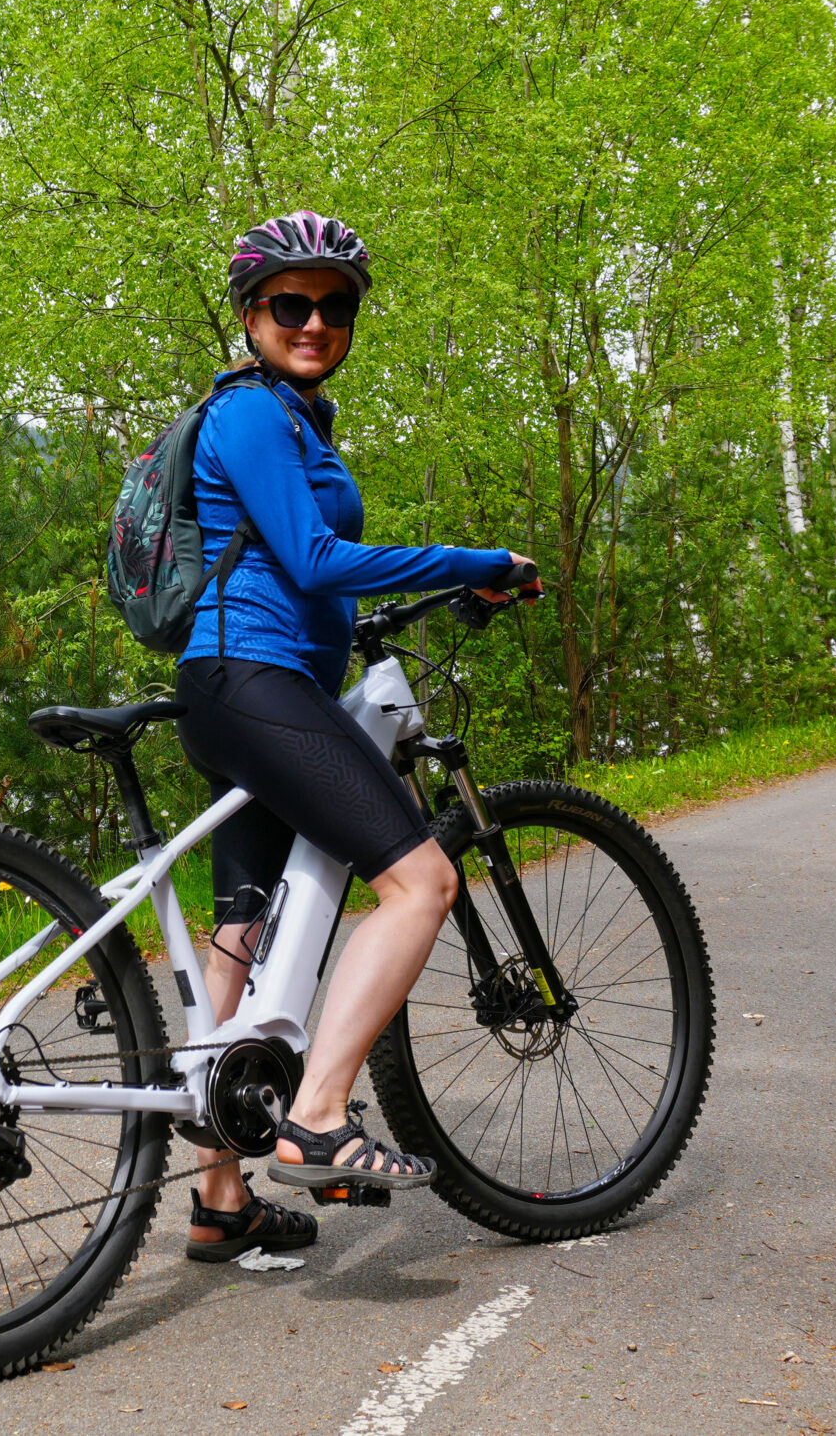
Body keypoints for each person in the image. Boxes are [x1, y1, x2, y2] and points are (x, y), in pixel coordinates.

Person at [173, 210, 535, 1263]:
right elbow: (318, 558)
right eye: (292, 303)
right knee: (420, 883)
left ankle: (220, 1200)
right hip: (254, 680)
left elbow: (307, 572)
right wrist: (468, 560)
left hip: (246, 684)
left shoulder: (296, 421)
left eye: (336, 306)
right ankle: (318, 1117)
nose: (315, 321)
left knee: (245, 937)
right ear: (251, 314)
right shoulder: (249, 414)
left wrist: (403, 603)